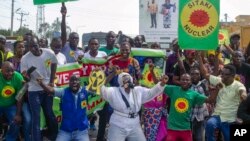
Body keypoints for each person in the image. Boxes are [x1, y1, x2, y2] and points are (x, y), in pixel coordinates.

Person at [100, 69, 169, 141]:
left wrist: (162, 83)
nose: (127, 81)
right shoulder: (113, 91)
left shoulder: (138, 90)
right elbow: (100, 87)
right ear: (121, 82)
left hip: (135, 124)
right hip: (117, 124)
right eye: (125, 80)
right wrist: (112, 74)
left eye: (129, 79)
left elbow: (151, 93)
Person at [198, 52, 247, 141]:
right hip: (217, 116)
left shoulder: (238, 85)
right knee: (209, 124)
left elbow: (242, 92)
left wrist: (243, 95)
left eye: (225, 75)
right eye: (222, 74)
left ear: (232, 76)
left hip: (230, 119)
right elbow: (205, 74)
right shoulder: (219, 81)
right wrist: (199, 57)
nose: (222, 76)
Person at [20, 36, 58, 141]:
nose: (33, 49)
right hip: (33, 90)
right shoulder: (25, 58)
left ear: (39, 44)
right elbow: (25, 76)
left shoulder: (49, 53)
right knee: (36, 118)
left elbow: (54, 64)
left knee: (49, 114)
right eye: (30, 47)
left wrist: (51, 82)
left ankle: (55, 136)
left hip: (46, 89)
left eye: (35, 46)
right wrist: (26, 77)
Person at [164, 73, 221, 141]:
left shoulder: (194, 94)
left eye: (187, 80)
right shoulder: (173, 89)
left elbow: (210, 100)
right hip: (172, 128)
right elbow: (159, 86)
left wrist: (216, 90)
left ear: (190, 82)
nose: (185, 81)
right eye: (183, 79)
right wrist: (153, 72)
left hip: (185, 128)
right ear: (180, 81)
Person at [37, 75, 90, 141]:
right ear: (69, 83)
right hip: (65, 132)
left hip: (81, 132)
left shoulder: (86, 91)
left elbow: (97, 87)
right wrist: (42, 84)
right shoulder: (63, 92)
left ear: (80, 82)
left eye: (76, 80)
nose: (74, 82)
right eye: (72, 80)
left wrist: (98, 72)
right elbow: (51, 90)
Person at [143, 63, 168, 141]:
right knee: (149, 136)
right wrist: (151, 71)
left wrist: (152, 71)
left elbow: (158, 83)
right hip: (149, 118)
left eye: (159, 78)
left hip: (160, 117)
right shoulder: (145, 89)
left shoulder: (163, 88)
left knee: (161, 135)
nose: (158, 80)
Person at [12, 41, 32, 141]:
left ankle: (26, 137)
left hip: (25, 95)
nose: (22, 49)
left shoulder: (28, 60)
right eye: (19, 47)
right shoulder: (10, 60)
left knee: (28, 119)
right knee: (13, 118)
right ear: (15, 49)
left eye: (23, 47)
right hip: (11, 95)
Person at [0, 61, 23, 141]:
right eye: (7, 71)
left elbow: (20, 97)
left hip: (11, 105)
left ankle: (10, 139)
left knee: (16, 121)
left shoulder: (18, 77)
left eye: (12, 70)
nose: (10, 73)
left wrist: (18, 114)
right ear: (1, 70)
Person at [190, 67, 209, 141]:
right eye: (192, 74)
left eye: (197, 74)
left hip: (201, 117)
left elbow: (209, 74)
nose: (194, 76)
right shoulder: (187, 85)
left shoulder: (204, 84)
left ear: (200, 75)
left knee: (199, 138)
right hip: (189, 117)